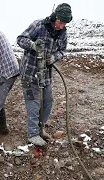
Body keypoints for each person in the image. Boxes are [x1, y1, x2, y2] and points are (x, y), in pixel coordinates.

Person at [16, 3, 72, 146]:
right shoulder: (39, 25)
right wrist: (33, 45)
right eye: (60, 22)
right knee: (33, 103)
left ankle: (40, 128)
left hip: (45, 74)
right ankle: (32, 134)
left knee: (48, 101)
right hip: (29, 73)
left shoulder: (62, 32)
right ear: (55, 17)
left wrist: (54, 57)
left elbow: (62, 50)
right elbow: (20, 39)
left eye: (64, 23)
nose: (61, 26)